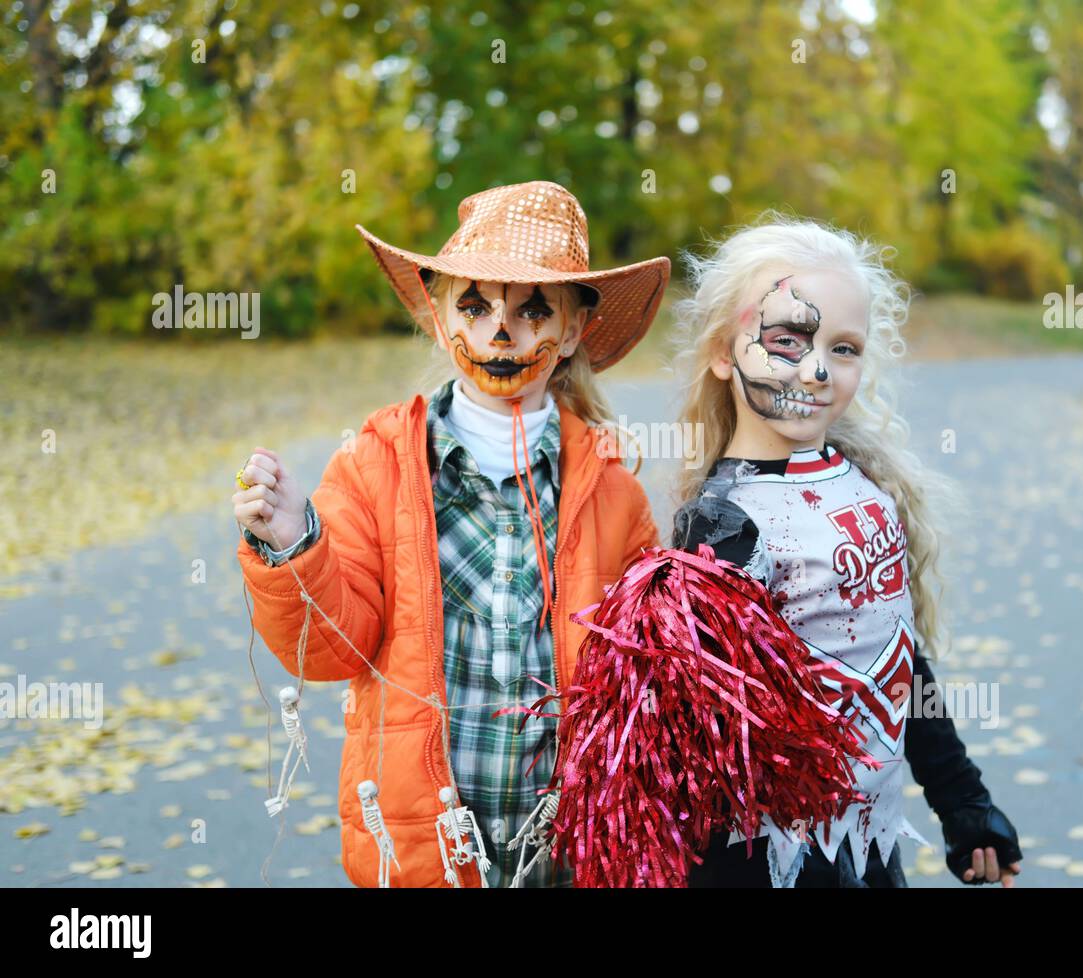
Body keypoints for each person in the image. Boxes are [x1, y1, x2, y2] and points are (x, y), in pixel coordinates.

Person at [231, 180, 668, 887]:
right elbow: (330, 648)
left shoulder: (613, 489)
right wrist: (292, 546)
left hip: (567, 850)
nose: (503, 334)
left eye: (533, 311)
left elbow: (641, 678)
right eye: (474, 305)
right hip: (419, 845)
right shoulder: (374, 464)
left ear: (575, 330)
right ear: (438, 318)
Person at [669, 213, 1022, 888]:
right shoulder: (719, 526)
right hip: (766, 864)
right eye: (787, 339)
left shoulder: (866, 487)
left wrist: (963, 803)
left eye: (845, 348)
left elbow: (897, 664)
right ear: (724, 351)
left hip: (867, 849)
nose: (817, 368)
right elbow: (716, 750)